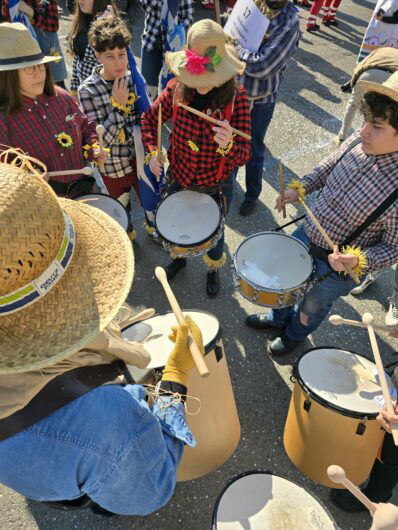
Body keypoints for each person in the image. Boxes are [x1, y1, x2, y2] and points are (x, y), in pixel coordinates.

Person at [0, 150, 205, 516]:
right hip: (95, 455)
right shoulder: (110, 423)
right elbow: (151, 492)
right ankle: (98, 499)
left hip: (30, 470)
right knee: (121, 482)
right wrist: (174, 378)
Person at [246, 73, 398, 355]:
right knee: (283, 280)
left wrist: (357, 260)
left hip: (339, 268)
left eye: (376, 126)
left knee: (312, 306)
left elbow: (392, 248)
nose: (363, 130)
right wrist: (301, 188)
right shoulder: (359, 139)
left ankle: (294, 335)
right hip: (308, 231)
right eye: (365, 120)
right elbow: (328, 166)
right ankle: (277, 317)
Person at [141, 19, 251, 297]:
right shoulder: (177, 89)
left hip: (216, 183)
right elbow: (149, 119)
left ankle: (213, 268)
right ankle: (179, 258)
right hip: (178, 176)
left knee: (216, 233)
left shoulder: (236, 99)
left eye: (208, 79)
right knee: (178, 222)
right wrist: (154, 152)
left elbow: (245, 152)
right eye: (196, 79)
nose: (201, 85)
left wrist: (228, 145)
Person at [0, 22, 106, 197]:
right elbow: (4, 169)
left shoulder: (62, 97)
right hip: (47, 205)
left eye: (41, 65)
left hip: (86, 188)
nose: (39, 73)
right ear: (9, 75)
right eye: (29, 68)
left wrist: (93, 147)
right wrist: (26, 176)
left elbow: (85, 126)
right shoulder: (4, 119)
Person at [234, 0, 300, 217]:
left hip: (260, 101)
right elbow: (232, 28)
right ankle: (226, 186)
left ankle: (252, 196)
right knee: (229, 143)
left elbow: (262, 66)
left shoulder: (289, 24)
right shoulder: (252, 4)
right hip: (234, 93)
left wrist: (234, 47)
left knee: (254, 147)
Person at [78, 16, 139, 241]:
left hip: (138, 159)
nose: (118, 63)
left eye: (122, 54)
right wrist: (119, 107)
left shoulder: (134, 79)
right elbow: (101, 141)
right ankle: (127, 236)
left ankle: (153, 229)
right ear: (97, 55)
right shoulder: (87, 92)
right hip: (113, 167)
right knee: (121, 207)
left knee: (151, 200)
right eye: (110, 56)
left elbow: (147, 119)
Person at [334, 48, 398, 146]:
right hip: (390, 80)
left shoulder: (382, 49)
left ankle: (342, 137)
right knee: (377, 111)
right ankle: (368, 140)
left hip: (368, 74)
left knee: (353, 104)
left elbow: (360, 66)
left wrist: (352, 82)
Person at [1, 0, 68, 88]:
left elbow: (53, 23)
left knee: (54, 88)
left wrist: (28, 10)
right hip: (19, 50)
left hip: (46, 48)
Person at [139, 0, 193, 99]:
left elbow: (189, 15)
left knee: (170, 89)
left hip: (173, 47)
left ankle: (163, 112)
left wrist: (177, 31)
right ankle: (150, 112)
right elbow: (146, 7)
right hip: (151, 41)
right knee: (147, 88)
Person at [69, 0, 119, 95]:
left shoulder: (110, 23)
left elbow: (120, 65)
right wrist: (74, 90)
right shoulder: (82, 18)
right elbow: (77, 58)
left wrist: (112, 27)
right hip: (84, 92)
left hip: (103, 94)